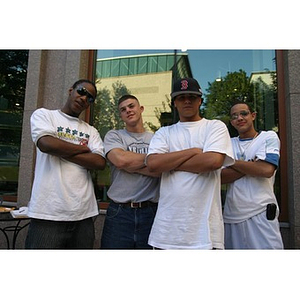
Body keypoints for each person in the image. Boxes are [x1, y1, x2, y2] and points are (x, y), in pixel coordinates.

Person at [145, 78, 234, 249]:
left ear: (200, 100)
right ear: (174, 103)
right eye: (181, 97)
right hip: (166, 232)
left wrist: (169, 162)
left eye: (192, 97)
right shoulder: (164, 132)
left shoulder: (214, 127)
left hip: (205, 234)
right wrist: (193, 151)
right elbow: (153, 164)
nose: (187, 100)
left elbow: (213, 161)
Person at [25, 79, 106, 249]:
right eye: (82, 91)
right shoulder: (44, 115)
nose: (84, 98)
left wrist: (60, 149)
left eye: (90, 98)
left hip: (83, 214)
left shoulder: (91, 130)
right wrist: (83, 149)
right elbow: (46, 144)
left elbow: (99, 162)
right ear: (71, 90)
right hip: (48, 213)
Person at [100, 94, 160, 249]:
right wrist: (153, 162)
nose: (128, 110)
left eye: (131, 106)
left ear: (140, 109)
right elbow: (120, 160)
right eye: (123, 109)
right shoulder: (114, 135)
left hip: (151, 212)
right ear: (121, 115)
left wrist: (129, 164)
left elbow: (161, 170)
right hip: (119, 212)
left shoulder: (158, 138)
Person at [221, 101, 284, 249]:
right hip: (232, 216)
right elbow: (220, 177)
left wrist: (231, 162)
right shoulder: (227, 143)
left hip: (261, 213)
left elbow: (266, 170)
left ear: (253, 116)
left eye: (244, 113)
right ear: (231, 122)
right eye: (234, 116)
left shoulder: (268, 137)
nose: (240, 118)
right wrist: (252, 165)